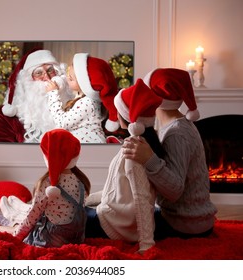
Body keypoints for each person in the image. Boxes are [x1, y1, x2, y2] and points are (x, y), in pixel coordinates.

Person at [122, 68, 218, 240]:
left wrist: (148, 159)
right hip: (189, 220)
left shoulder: (177, 133)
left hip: (185, 225)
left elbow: (174, 190)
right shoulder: (177, 126)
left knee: (115, 225)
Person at [85, 78, 165, 254]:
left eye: (117, 110)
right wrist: (87, 199)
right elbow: (117, 192)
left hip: (116, 225)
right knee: (72, 207)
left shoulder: (133, 150)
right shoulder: (146, 143)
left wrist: (146, 244)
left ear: (127, 118)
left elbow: (141, 198)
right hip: (115, 217)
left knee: (60, 215)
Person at [0, 128, 91, 248]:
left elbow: (31, 219)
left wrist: (16, 237)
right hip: (76, 239)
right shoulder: (81, 181)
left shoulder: (48, 184)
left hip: (49, 240)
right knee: (41, 218)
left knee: (26, 226)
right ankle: (10, 222)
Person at [0, 49, 73, 143]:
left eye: (50, 70)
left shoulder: (75, 105)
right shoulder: (8, 116)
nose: (47, 78)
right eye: (38, 73)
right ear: (28, 80)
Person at [45, 53, 120, 143]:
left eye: (71, 78)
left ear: (84, 85)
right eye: (68, 72)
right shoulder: (81, 97)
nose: (67, 78)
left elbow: (62, 123)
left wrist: (52, 93)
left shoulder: (88, 103)